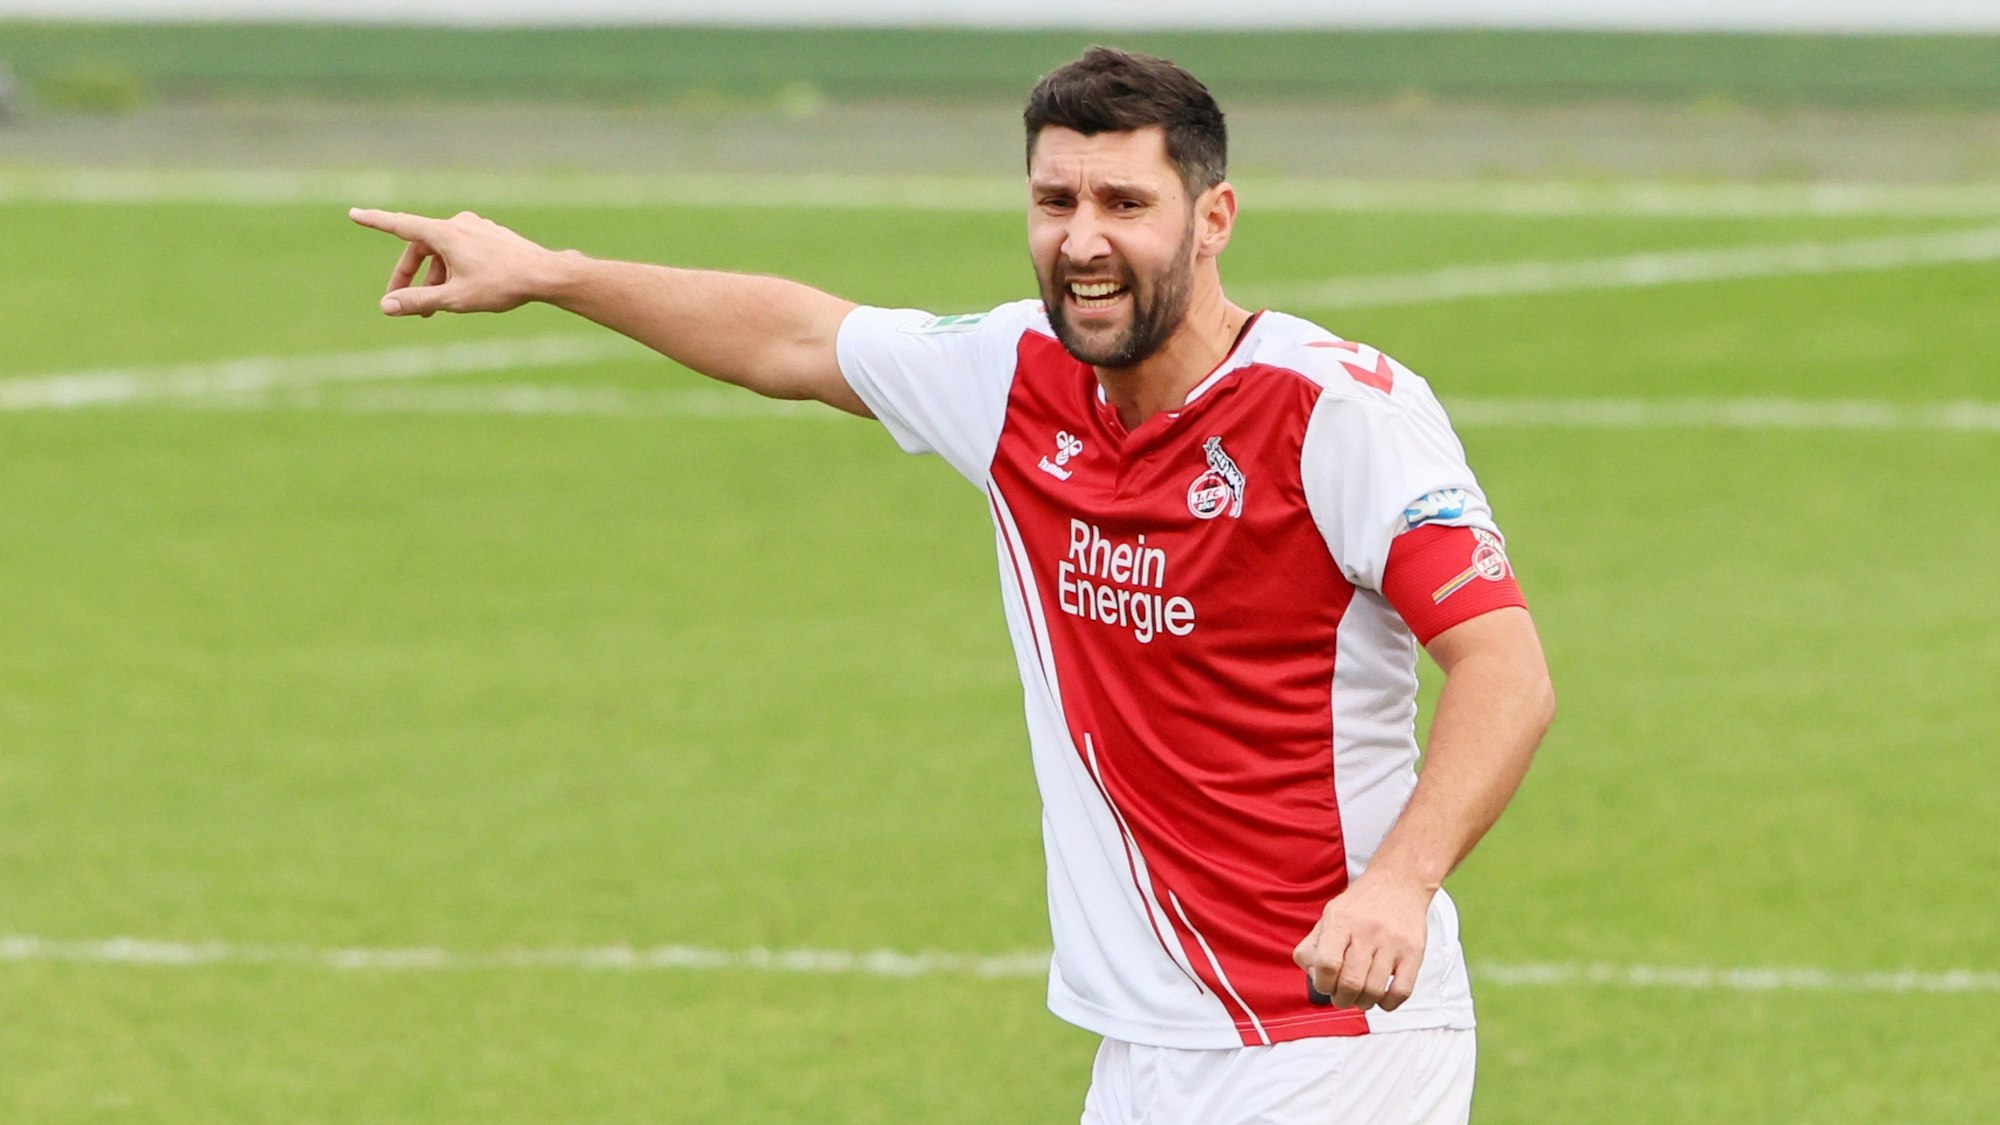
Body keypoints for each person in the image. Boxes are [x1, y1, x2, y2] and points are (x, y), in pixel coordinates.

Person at [350, 46, 1554, 1125]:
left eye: (1124, 203)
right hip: (1139, 1051)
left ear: (1212, 217)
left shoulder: (1335, 415)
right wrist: (553, 272)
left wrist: (1400, 884)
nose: (1082, 239)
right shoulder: (1012, 376)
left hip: (1329, 1042)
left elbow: (1503, 665)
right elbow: (796, 340)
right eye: (1054, 201)